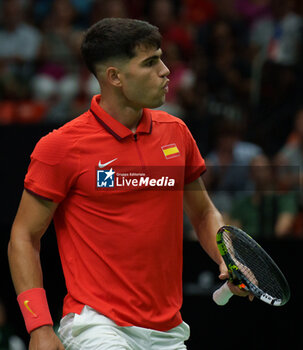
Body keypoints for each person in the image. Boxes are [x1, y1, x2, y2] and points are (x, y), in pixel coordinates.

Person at [8, 18, 249, 350]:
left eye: (162, 58)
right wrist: (38, 327)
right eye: (150, 63)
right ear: (115, 77)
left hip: (168, 329)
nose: (166, 71)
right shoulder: (61, 147)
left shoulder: (176, 133)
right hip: (96, 325)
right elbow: (23, 236)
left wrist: (226, 257)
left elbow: (204, 213)